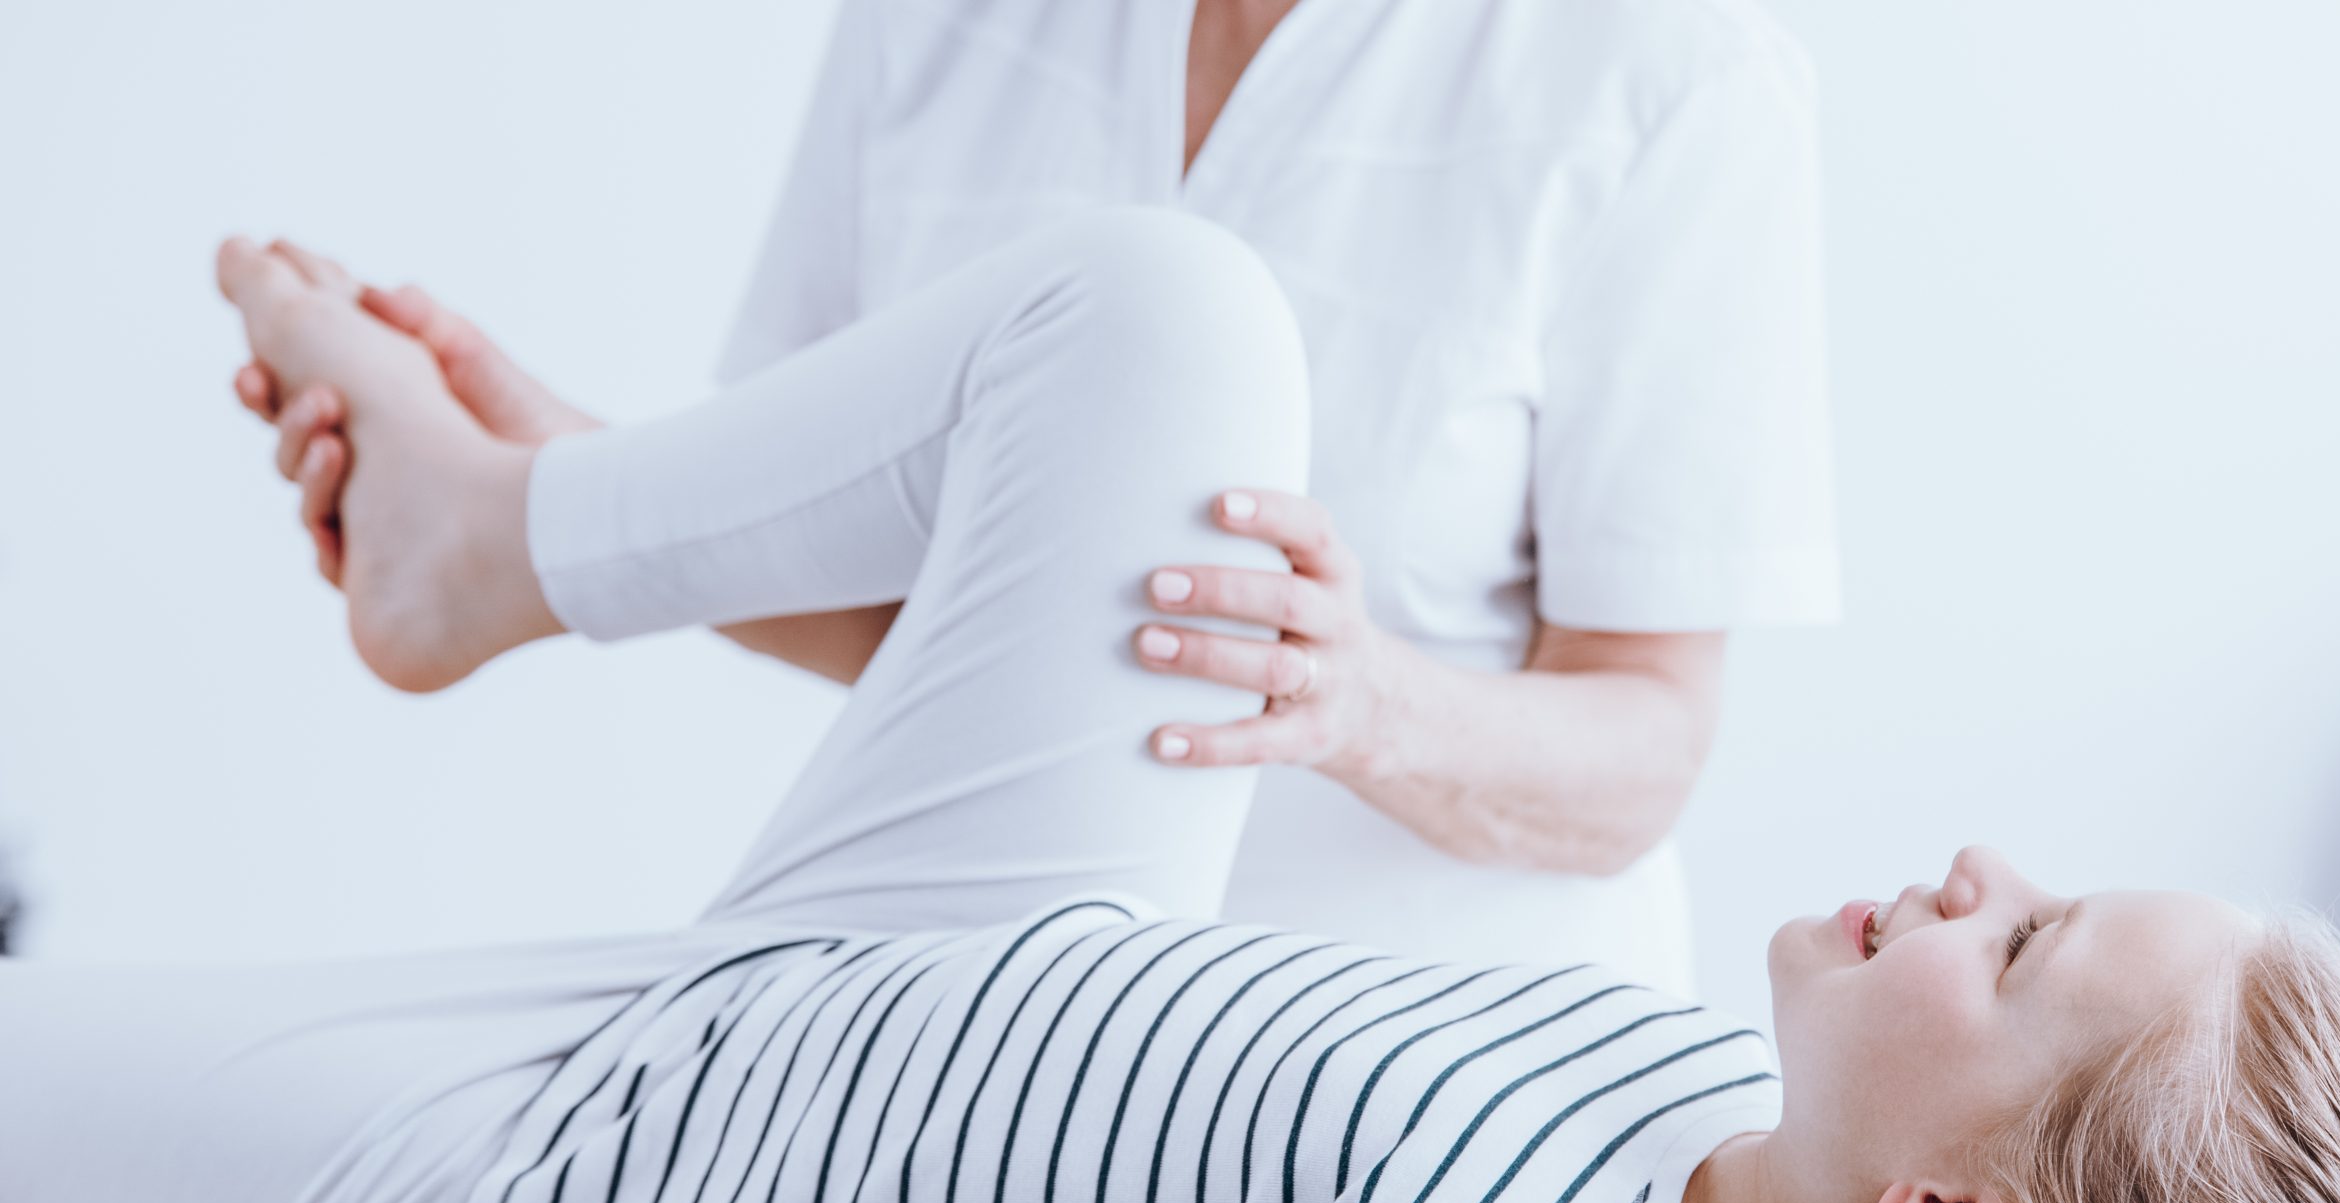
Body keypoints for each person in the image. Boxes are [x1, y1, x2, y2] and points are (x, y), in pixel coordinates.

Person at [10, 214, 2340, 1203]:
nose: (1978, 872)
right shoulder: (1712, 1083)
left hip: (597, 1180)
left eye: (2020, 949)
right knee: (1162, 319)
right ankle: (498, 535)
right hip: (956, 938)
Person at [235, 0, 1841, 995]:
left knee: (1164, 305)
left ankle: (503, 539)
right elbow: (928, 605)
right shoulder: (937, 21)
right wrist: (580, 465)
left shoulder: (1668, 66)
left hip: (1418, 1049)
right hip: (996, 1015)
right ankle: (511, 531)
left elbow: (1644, 742)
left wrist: (1363, 702)